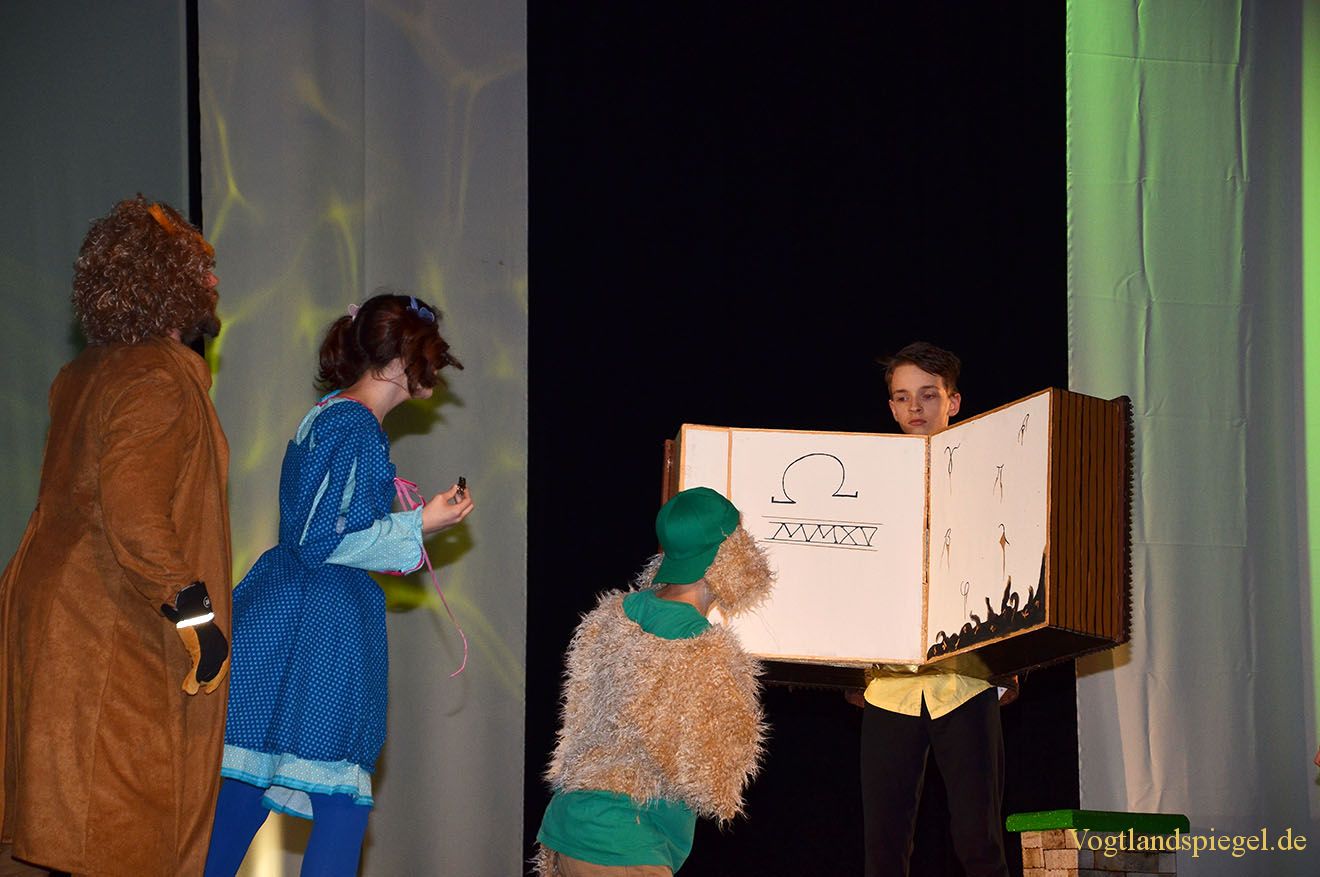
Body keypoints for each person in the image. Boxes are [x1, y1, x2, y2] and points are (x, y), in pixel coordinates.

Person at [202, 293, 474, 876]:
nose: (435, 370)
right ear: (400, 360)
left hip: (290, 618)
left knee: (247, 782)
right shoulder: (354, 424)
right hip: (317, 627)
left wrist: (411, 524)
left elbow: (318, 531)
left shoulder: (333, 414)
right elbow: (319, 540)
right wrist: (420, 523)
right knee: (340, 800)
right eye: (429, 356)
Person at [0, 195, 230, 876]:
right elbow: (134, 512)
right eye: (202, 268)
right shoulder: (157, 376)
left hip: (62, 617)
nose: (215, 280)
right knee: (123, 828)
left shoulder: (84, 374)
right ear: (169, 280)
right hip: (110, 630)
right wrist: (198, 617)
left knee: (64, 824)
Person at [535, 486, 775, 877]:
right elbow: (714, 780)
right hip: (624, 847)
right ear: (728, 554)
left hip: (570, 827)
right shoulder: (706, 652)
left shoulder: (614, 615)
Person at [861, 341, 1010, 877]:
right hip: (889, 685)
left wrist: (1010, 660)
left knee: (979, 841)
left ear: (954, 401)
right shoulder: (867, 479)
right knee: (884, 848)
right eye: (903, 397)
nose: (915, 407)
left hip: (965, 678)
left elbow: (1008, 562)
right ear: (891, 407)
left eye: (928, 394)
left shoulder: (990, 474)